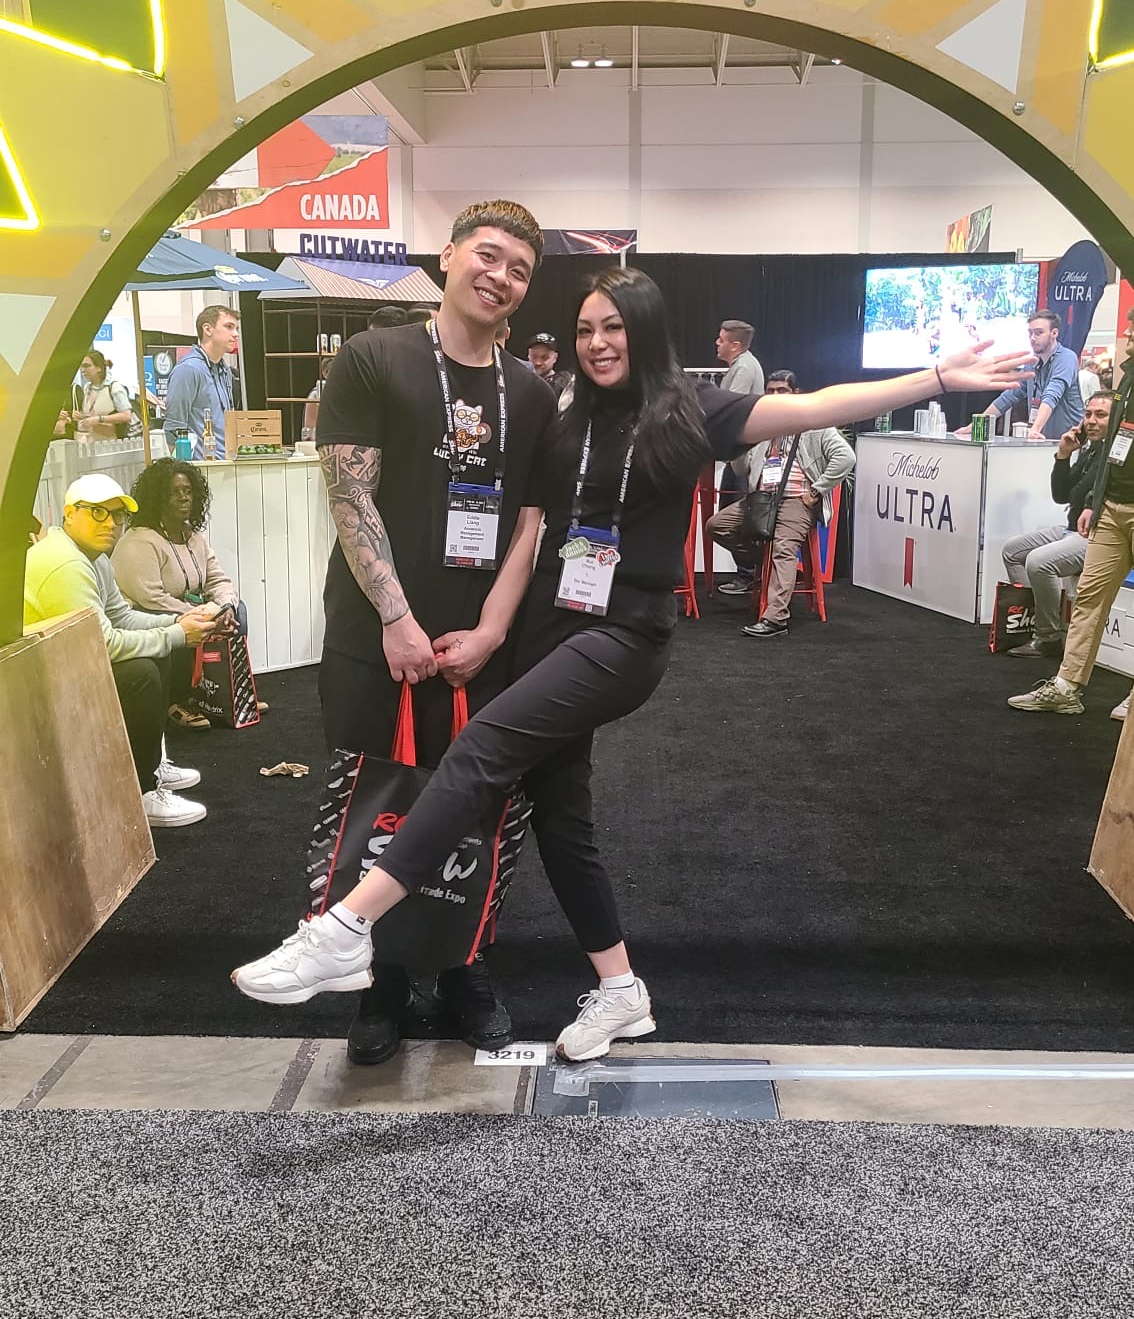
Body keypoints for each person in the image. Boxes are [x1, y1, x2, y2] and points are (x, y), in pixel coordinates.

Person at [232, 270, 1027, 1057]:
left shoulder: (692, 409)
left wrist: (935, 378)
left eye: (613, 327)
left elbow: (817, 408)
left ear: (643, 330)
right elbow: (531, 529)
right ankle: (621, 991)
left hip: (622, 635)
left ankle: (348, 926)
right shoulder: (567, 414)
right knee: (560, 816)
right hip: (547, 627)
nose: (597, 343)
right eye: (586, 329)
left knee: (482, 750)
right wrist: (492, 630)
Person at [279, 199, 556, 1066]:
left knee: (482, 808)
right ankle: (382, 980)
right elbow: (349, 495)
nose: (500, 277)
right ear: (448, 254)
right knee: (380, 807)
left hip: (484, 648)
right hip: (377, 640)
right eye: (489, 254)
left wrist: (492, 632)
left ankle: (466, 965)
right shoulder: (375, 357)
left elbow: (531, 523)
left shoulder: (531, 392)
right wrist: (397, 619)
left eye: (519, 270)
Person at [22, 475, 215, 825]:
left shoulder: (92, 556)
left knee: (158, 651)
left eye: (117, 515)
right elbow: (104, 644)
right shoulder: (67, 564)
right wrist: (176, 633)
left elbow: (121, 616)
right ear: (69, 514)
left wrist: (178, 621)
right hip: (34, 687)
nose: (110, 524)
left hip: (61, 661)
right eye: (98, 512)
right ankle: (140, 792)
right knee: (141, 673)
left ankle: (151, 766)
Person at [1008, 306, 1134, 720]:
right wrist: (1095, 500)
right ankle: (1066, 687)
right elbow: (1113, 452)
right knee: (1089, 601)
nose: (1128, 333)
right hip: (1111, 508)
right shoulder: (1127, 379)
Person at [111, 458, 254, 730]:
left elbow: (217, 579)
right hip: (148, 614)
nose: (183, 497)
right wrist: (201, 614)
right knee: (181, 622)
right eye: (174, 492)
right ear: (157, 498)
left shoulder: (193, 537)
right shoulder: (140, 540)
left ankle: (227, 692)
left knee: (239, 611)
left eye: (188, 491)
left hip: (187, 608)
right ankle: (176, 701)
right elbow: (151, 598)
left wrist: (224, 607)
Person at [734, 371, 856, 636]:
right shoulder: (762, 425)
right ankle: (762, 565)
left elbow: (846, 457)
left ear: (796, 394)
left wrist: (817, 491)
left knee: (783, 548)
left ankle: (776, 619)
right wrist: (739, 444)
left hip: (797, 500)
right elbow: (741, 468)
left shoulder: (814, 424)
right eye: (770, 390)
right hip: (763, 500)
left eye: (782, 390)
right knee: (718, 526)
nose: (775, 395)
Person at [999, 392, 1113, 661]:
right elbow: (1061, 496)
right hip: (1071, 528)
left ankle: (1047, 637)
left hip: (1098, 535)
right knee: (1012, 550)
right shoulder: (1092, 449)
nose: (1092, 421)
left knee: (1039, 562)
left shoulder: (1117, 455)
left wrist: (1092, 505)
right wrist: (1062, 456)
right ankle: (1032, 621)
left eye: (1101, 415)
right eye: (1088, 415)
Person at [961, 308, 1084, 441]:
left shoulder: (1066, 358)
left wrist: (1035, 429)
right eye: (1030, 333)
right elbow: (1008, 397)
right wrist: (974, 426)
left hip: (1071, 442)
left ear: (1054, 333)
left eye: (1039, 333)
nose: (1032, 338)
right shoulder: (1032, 363)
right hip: (1043, 440)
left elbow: (1052, 394)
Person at [708, 320, 767, 594]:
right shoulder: (743, 365)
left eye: (721, 340)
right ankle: (753, 572)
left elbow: (731, 410)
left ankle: (751, 573)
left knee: (737, 518)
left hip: (744, 456)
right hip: (740, 455)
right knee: (729, 515)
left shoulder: (744, 368)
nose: (716, 343)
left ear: (735, 345)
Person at [163, 305, 239, 459]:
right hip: (201, 466)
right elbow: (174, 428)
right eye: (228, 327)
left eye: (236, 328)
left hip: (226, 462)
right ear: (208, 329)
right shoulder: (188, 370)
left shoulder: (224, 370)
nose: (236, 334)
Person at [54, 349, 135, 440]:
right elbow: (92, 415)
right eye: (81, 366)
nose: (83, 370)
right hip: (90, 440)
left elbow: (126, 416)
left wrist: (99, 419)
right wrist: (81, 417)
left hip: (110, 442)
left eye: (87, 366)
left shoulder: (114, 387)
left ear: (99, 368)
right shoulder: (87, 388)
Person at [527, 332, 571, 402]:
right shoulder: (520, 381)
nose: (538, 362)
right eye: (534, 356)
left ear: (555, 358)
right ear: (528, 355)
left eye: (544, 357)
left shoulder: (562, 384)